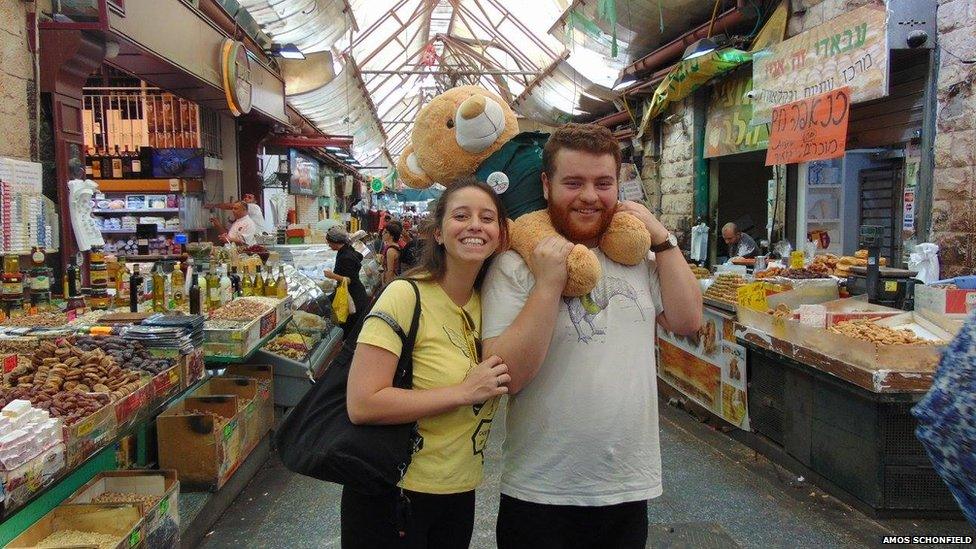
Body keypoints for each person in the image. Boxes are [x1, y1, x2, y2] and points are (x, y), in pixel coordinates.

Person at [481, 123, 703, 549]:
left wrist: (664, 241)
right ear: (547, 185)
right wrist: (547, 284)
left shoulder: (638, 257)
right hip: (540, 490)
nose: (589, 196)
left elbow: (688, 319)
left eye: (603, 183)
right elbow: (508, 375)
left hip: (627, 487)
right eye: (573, 182)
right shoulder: (516, 265)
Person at [342, 178, 512, 548]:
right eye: (461, 216)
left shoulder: (490, 306)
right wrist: (463, 392)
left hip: (458, 491)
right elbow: (363, 403)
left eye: (487, 218)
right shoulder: (405, 295)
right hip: (393, 494)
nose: (474, 226)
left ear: (500, 234)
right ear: (437, 232)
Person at [323, 226, 371, 342]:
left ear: (335, 241)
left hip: (352, 298)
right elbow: (359, 256)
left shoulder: (345, 256)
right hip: (357, 294)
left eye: (329, 242)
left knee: (349, 332)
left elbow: (350, 280)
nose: (328, 245)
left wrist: (331, 275)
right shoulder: (347, 249)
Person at [381, 220, 403, 287]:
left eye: (385, 232)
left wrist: (386, 286)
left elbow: (390, 271)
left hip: (391, 281)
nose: (382, 234)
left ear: (392, 236)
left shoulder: (390, 250)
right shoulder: (395, 246)